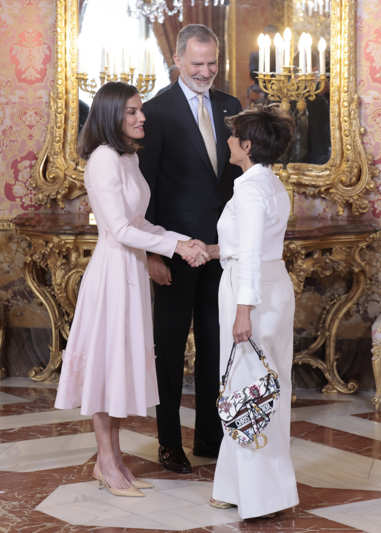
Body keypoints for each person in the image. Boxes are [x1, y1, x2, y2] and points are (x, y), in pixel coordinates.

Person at [54, 82, 209, 498]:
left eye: (140, 110)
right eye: (132, 112)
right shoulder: (103, 160)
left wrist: (182, 240)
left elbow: (139, 224)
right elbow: (119, 230)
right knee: (107, 368)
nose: (142, 118)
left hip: (132, 274)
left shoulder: (127, 158)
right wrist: (175, 246)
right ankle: (106, 462)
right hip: (111, 275)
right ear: (110, 116)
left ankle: (114, 460)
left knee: (120, 368)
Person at [139, 24, 243, 474]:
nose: (206, 72)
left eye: (212, 63)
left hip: (220, 250)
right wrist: (154, 253)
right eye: (197, 64)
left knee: (216, 346)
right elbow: (146, 189)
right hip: (175, 250)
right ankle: (167, 442)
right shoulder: (154, 112)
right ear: (178, 61)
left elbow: (234, 183)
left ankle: (209, 437)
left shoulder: (230, 106)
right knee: (168, 346)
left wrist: (231, 244)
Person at [206, 107, 299, 519]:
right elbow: (251, 244)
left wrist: (243, 311)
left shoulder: (248, 188)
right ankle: (233, 485)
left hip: (251, 294)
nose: (228, 142)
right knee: (265, 387)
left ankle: (261, 497)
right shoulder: (272, 184)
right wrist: (214, 250)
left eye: (233, 137)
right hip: (273, 287)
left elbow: (250, 255)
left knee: (247, 391)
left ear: (246, 146)